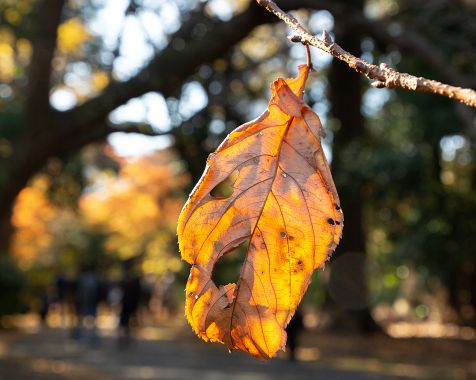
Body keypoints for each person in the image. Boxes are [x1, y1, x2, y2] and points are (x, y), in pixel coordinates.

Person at [118, 264, 142, 348]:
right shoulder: (134, 281)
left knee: (126, 322)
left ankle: (126, 337)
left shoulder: (124, 281)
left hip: (128, 304)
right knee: (128, 321)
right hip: (130, 305)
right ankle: (127, 337)